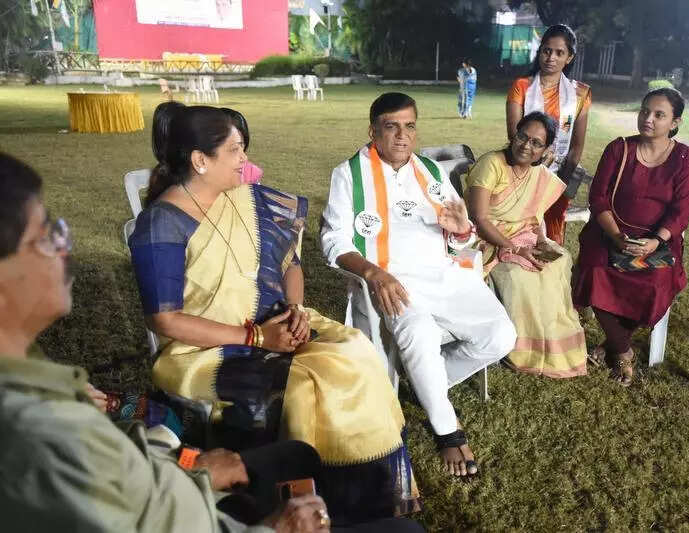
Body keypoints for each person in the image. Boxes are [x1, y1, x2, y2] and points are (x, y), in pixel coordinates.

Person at [0, 151, 333, 532]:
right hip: (196, 512)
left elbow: (128, 467)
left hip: (175, 480)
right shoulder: (35, 437)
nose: (64, 248)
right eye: (45, 238)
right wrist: (277, 528)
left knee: (298, 456)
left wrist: (189, 465)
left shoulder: (33, 378)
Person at [128, 105, 420, 524]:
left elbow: (289, 264)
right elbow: (166, 321)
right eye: (235, 150)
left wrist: (295, 310)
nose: (245, 160)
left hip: (278, 321)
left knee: (356, 353)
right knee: (307, 384)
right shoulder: (161, 224)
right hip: (209, 349)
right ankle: (315, 502)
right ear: (200, 161)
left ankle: (364, 498)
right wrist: (258, 338)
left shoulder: (247, 199)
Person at [320, 92, 516, 478]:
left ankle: (426, 382)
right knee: (420, 334)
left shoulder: (430, 170)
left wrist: (460, 232)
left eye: (409, 126)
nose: (402, 135)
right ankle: (447, 430)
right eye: (391, 126)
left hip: (445, 276)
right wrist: (374, 273)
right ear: (373, 131)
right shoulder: (349, 174)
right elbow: (333, 240)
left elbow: (459, 237)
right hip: (392, 281)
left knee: (501, 336)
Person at [572, 88, 689, 386]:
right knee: (594, 271)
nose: (648, 119)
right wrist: (617, 237)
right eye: (644, 111)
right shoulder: (619, 149)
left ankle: (610, 344)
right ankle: (623, 350)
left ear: (675, 122)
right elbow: (598, 199)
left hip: (656, 241)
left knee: (656, 281)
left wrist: (655, 241)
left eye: (659, 115)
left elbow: (681, 211)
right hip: (610, 233)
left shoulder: (686, 158)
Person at [465, 111, 587, 378]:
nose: (526, 146)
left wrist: (541, 240)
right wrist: (515, 248)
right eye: (522, 137)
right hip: (487, 239)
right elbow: (479, 218)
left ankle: (552, 342)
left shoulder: (536, 172)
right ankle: (522, 350)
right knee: (520, 275)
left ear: (545, 150)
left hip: (524, 235)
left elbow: (535, 214)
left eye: (536, 143)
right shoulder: (491, 164)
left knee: (558, 261)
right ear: (514, 134)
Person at [505, 24, 592, 246]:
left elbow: (576, 146)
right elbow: (514, 135)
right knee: (520, 234)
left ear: (569, 57)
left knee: (550, 240)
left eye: (559, 53)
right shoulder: (522, 87)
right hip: (520, 173)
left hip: (558, 178)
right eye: (547, 50)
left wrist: (561, 182)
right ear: (540, 51)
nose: (551, 57)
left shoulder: (581, 94)